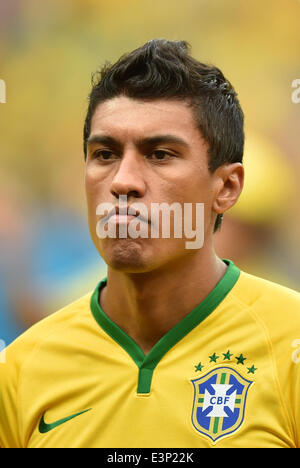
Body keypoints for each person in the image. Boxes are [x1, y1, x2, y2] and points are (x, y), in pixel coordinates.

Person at [0, 39, 299, 449]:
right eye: (104, 154)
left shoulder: (290, 345)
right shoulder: (19, 368)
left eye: (159, 154)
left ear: (227, 187)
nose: (123, 182)